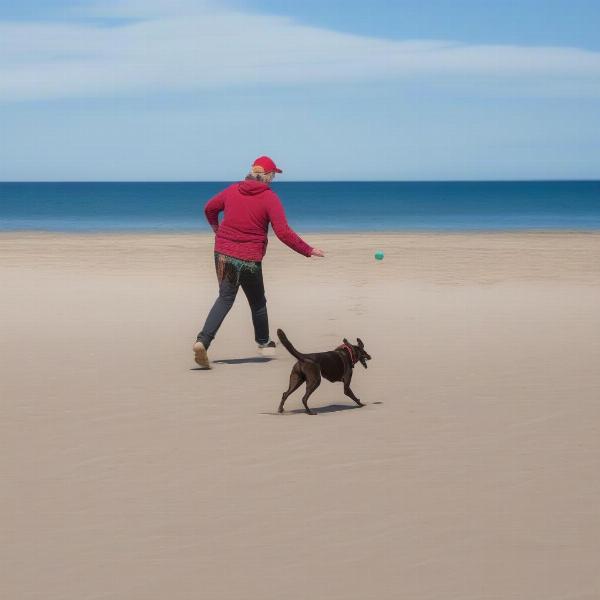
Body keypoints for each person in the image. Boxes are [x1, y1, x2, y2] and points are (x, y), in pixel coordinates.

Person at [193, 156, 324, 369]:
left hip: (223, 254)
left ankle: (202, 341)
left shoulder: (232, 190)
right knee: (258, 302)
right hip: (249, 259)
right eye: (273, 175)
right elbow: (282, 231)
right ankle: (263, 342)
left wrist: (217, 230)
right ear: (268, 176)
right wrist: (307, 250)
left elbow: (209, 208)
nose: (273, 180)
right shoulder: (269, 198)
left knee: (225, 298)